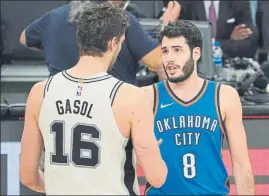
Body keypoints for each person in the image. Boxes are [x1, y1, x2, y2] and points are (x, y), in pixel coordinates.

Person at [19, 3, 167, 195]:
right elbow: (157, 177)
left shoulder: (40, 92)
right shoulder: (131, 97)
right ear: (114, 43)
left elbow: (28, 177)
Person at [142, 21, 255, 195]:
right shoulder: (146, 97)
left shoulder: (223, 96)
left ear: (196, 53)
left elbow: (241, 164)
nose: (169, 58)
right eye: (165, 51)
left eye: (177, 50)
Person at [19, 0, 180, 85]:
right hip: (111, 113)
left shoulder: (53, 17)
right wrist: (167, 26)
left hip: (60, 109)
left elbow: (25, 39)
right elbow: (157, 60)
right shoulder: (121, 20)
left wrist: (55, 45)